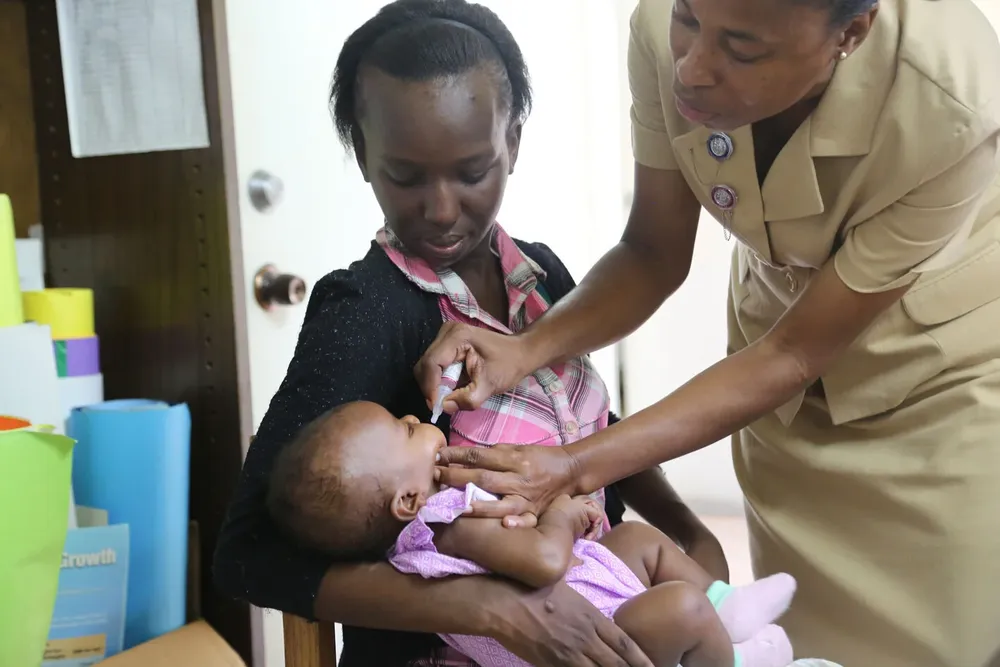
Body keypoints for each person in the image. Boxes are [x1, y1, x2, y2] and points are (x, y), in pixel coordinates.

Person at [416, 0, 1000, 666]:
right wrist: (525, 350)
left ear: (850, 33)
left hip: (941, 382)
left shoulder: (954, 99)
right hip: (780, 372)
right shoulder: (660, 28)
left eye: (742, 50)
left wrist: (578, 465)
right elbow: (652, 254)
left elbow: (795, 351)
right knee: (795, 642)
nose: (691, 71)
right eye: (688, 20)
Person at [213, 2, 728, 666]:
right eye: (405, 176)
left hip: (601, 604)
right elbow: (247, 553)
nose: (443, 208)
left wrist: (686, 528)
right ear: (362, 153)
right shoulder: (365, 309)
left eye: (472, 170)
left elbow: (592, 425)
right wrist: (487, 608)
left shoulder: (544, 276)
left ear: (512, 142)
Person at [265, 400, 798, 667]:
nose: (412, 417)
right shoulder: (447, 526)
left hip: (589, 591)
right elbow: (544, 562)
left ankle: (731, 609)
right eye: (405, 431)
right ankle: (732, 654)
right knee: (681, 607)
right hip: (595, 633)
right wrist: (563, 514)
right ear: (407, 500)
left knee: (637, 542)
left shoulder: (433, 529)